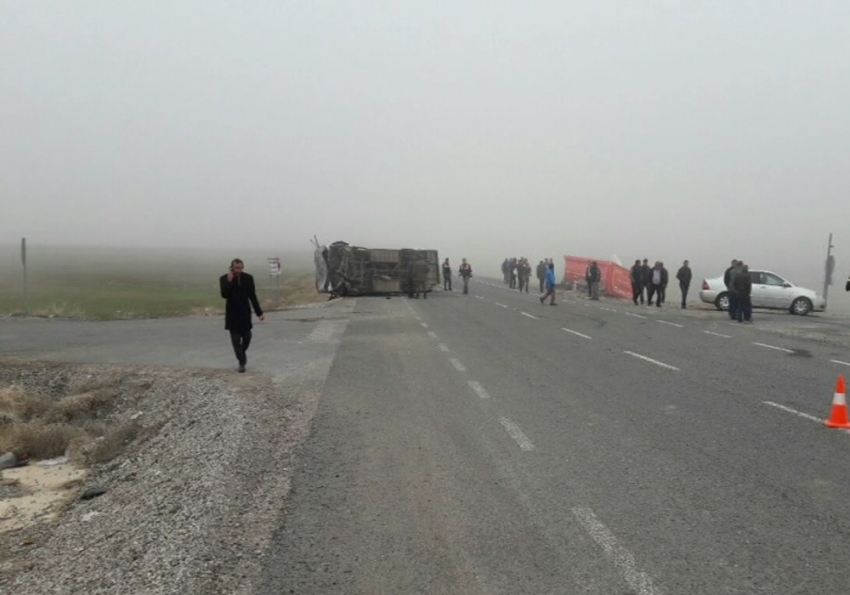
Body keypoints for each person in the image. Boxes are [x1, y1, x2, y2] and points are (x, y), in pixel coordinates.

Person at [220, 259, 264, 373]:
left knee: (247, 338)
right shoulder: (224, 278)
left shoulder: (248, 278)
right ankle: (242, 362)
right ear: (232, 268)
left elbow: (252, 296)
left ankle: (241, 353)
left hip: (245, 313)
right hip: (232, 314)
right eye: (236, 268)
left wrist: (259, 313)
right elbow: (224, 294)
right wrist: (229, 281)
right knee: (235, 341)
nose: (238, 270)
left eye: (240, 268)